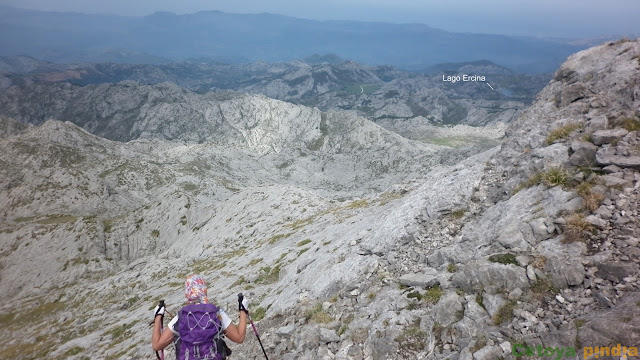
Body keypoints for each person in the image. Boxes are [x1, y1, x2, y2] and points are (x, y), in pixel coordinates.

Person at [151, 274, 248, 358]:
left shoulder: (181, 317)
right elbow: (239, 338)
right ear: (204, 289)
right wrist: (243, 310)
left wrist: (158, 316)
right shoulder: (216, 313)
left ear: (187, 293)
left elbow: (157, 345)